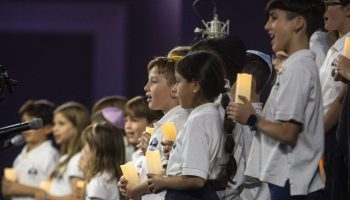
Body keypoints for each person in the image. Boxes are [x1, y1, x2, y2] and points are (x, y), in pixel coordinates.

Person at [227, 0, 325, 199]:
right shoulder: (297, 66)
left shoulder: (297, 69)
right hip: (289, 179)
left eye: (274, 18)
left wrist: (252, 118)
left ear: (298, 23)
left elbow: (289, 133)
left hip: (292, 182)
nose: (267, 26)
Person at [146, 51, 231, 200]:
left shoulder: (198, 120)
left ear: (195, 85)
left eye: (178, 82)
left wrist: (162, 181)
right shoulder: (215, 114)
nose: (174, 89)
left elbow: (196, 179)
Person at [119, 56, 190, 200]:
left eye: (154, 81)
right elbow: (157, 171)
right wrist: (136, 178)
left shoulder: (179, 123)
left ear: (175, 88)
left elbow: (172, 173)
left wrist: (138, 189)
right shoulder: (166, 123)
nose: (146, 87)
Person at [223, 50, 273, 200]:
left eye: (230, 76)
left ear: (246, 81)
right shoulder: (267, 122)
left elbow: (251, 175)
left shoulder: (253, 123)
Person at [1, 100, 59, 200]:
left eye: (32, 124)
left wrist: (18, 189)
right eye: (24, 123)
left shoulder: (51, 155)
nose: (26, 128)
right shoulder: (20, 156)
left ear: (48, 128)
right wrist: (7, 189)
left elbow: (54, 192)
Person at [45, 102, 90, 200]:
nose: (54, 129)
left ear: (77, 127)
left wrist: (47, 197)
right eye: (54, 124)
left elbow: (78, 198)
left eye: (61, 123)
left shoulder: (78, 159)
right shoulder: (66, 158)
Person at [78, 122, 125, 200]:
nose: (82, 151)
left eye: (85, 145)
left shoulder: (98, 182)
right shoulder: (109, 176)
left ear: (97, 151)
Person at [124, 96, 163, 166]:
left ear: (153, 124)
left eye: (134, 120)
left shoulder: (161, 153)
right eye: (126, 121)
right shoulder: (136, 155)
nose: (127, 126)